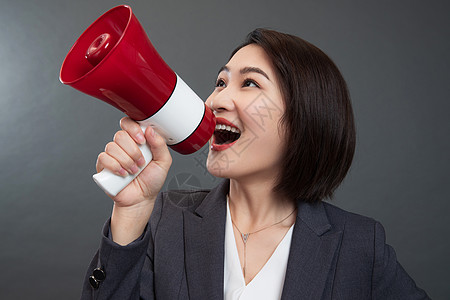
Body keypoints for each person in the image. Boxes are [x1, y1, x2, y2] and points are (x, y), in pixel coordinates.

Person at [81, 28, 429, 299]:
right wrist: (130, 211)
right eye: (220, 82)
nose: (216, 99)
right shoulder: (162, 220)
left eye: (249, 83)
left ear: (305, 117)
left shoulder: (358, 244)